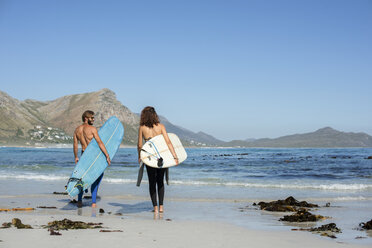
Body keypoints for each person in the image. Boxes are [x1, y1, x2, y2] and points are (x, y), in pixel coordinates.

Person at [137, 106, 178, 213]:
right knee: (160, 181)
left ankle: (155, 207)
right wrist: (174, 156)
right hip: (161, 157)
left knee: (152, 182)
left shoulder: (142, 127)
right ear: (155, 115)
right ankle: (161, 207)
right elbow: (168, 142)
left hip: (150, 157)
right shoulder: (161, 127)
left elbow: (140, 145)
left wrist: (140, 156)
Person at [73, 110, 111, 208]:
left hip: (83, 155)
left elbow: (75, 145)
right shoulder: (92, 129)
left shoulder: (77, 130)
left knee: (82, 178)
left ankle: (80, 201)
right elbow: (99, 143)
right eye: (92, 118)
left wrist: (76, 157)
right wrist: (107, 155)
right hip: (93, 156)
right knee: (97, 176)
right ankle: (93, 202)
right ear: (86, 118)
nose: (93, 119)